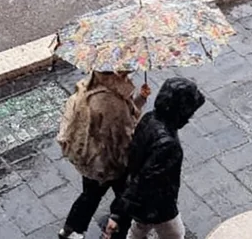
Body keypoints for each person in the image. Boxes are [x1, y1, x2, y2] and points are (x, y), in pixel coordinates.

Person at [104, 78, 206, 239]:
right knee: (175, 234)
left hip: (142, 205)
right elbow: (145, 180)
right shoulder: (168, 146)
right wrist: (118, 214)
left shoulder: (149, 118)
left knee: (139, 228)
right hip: (159, 206)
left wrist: (119, 211)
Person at [56, 71, 151, 239]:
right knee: (125, 197)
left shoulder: (95, 86)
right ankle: (114, 231)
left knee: (91, 195)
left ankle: (71, 229)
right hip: (111, 162)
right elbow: (125, 133)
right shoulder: (110, 101)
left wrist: (139, 99)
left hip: (91, 159)